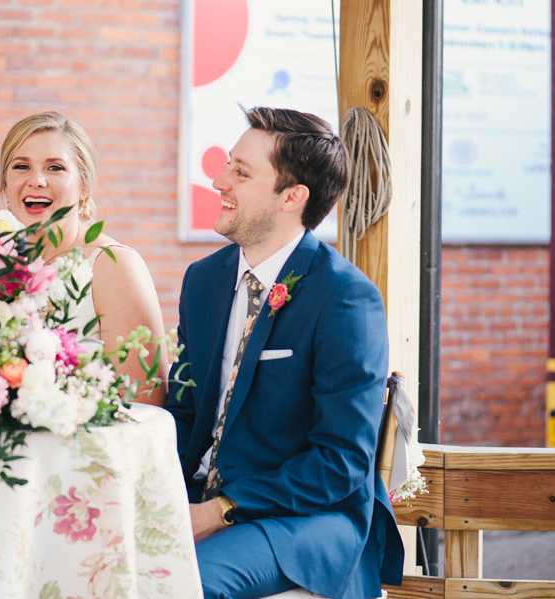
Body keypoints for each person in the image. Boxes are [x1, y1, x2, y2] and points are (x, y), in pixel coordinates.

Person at [166, 107, 404, 599]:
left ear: (292, 197)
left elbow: (340, 463)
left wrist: (217, 511)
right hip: (194, 498)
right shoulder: (203, 281)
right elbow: (185, 412)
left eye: (240, 172)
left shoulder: (345, 298)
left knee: (180, 586)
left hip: (306, 521)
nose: (218, 180)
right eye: (228, 164)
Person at [0, 111, 168, 406]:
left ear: (84, 187)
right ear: (5, 184)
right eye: (21, 166)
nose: (36, 180)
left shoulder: (114, 267)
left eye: (55, 167)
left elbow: (145, 402)